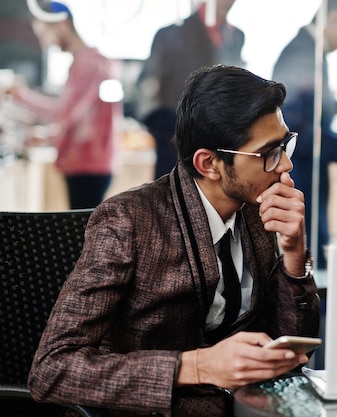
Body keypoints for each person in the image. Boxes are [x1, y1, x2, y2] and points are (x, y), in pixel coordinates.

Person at [28, 65, 320, 416]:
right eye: (270, 152)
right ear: (209, 163)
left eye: (285, 145)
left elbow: (294, 347)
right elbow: (52, 370)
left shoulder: (261, 211)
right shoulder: (129, 221)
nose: (286, 164)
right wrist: (197, 365)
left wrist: (294, 256)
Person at [272, 0, 337, 269]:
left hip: (309, 178)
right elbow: (295, 132)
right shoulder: (303, 55)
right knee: (306, 260)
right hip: (301, 175)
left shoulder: (311, 54)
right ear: (335, 19)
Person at [6, 1, 122, 209]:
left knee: (83, 234)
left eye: (44, 34)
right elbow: (78, 118)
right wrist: (48, 136)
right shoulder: (87, 62)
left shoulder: (89, 65)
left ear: (62, 25)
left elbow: (64, 113)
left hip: (88, 166)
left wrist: (21, 95)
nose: (45, 43)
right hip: (89, 164)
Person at [139, 0, 244, 179]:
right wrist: (165, 131)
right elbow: (147, 87)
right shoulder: (171, 35)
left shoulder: (235, 36)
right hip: (175, 141)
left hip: (218, 142)